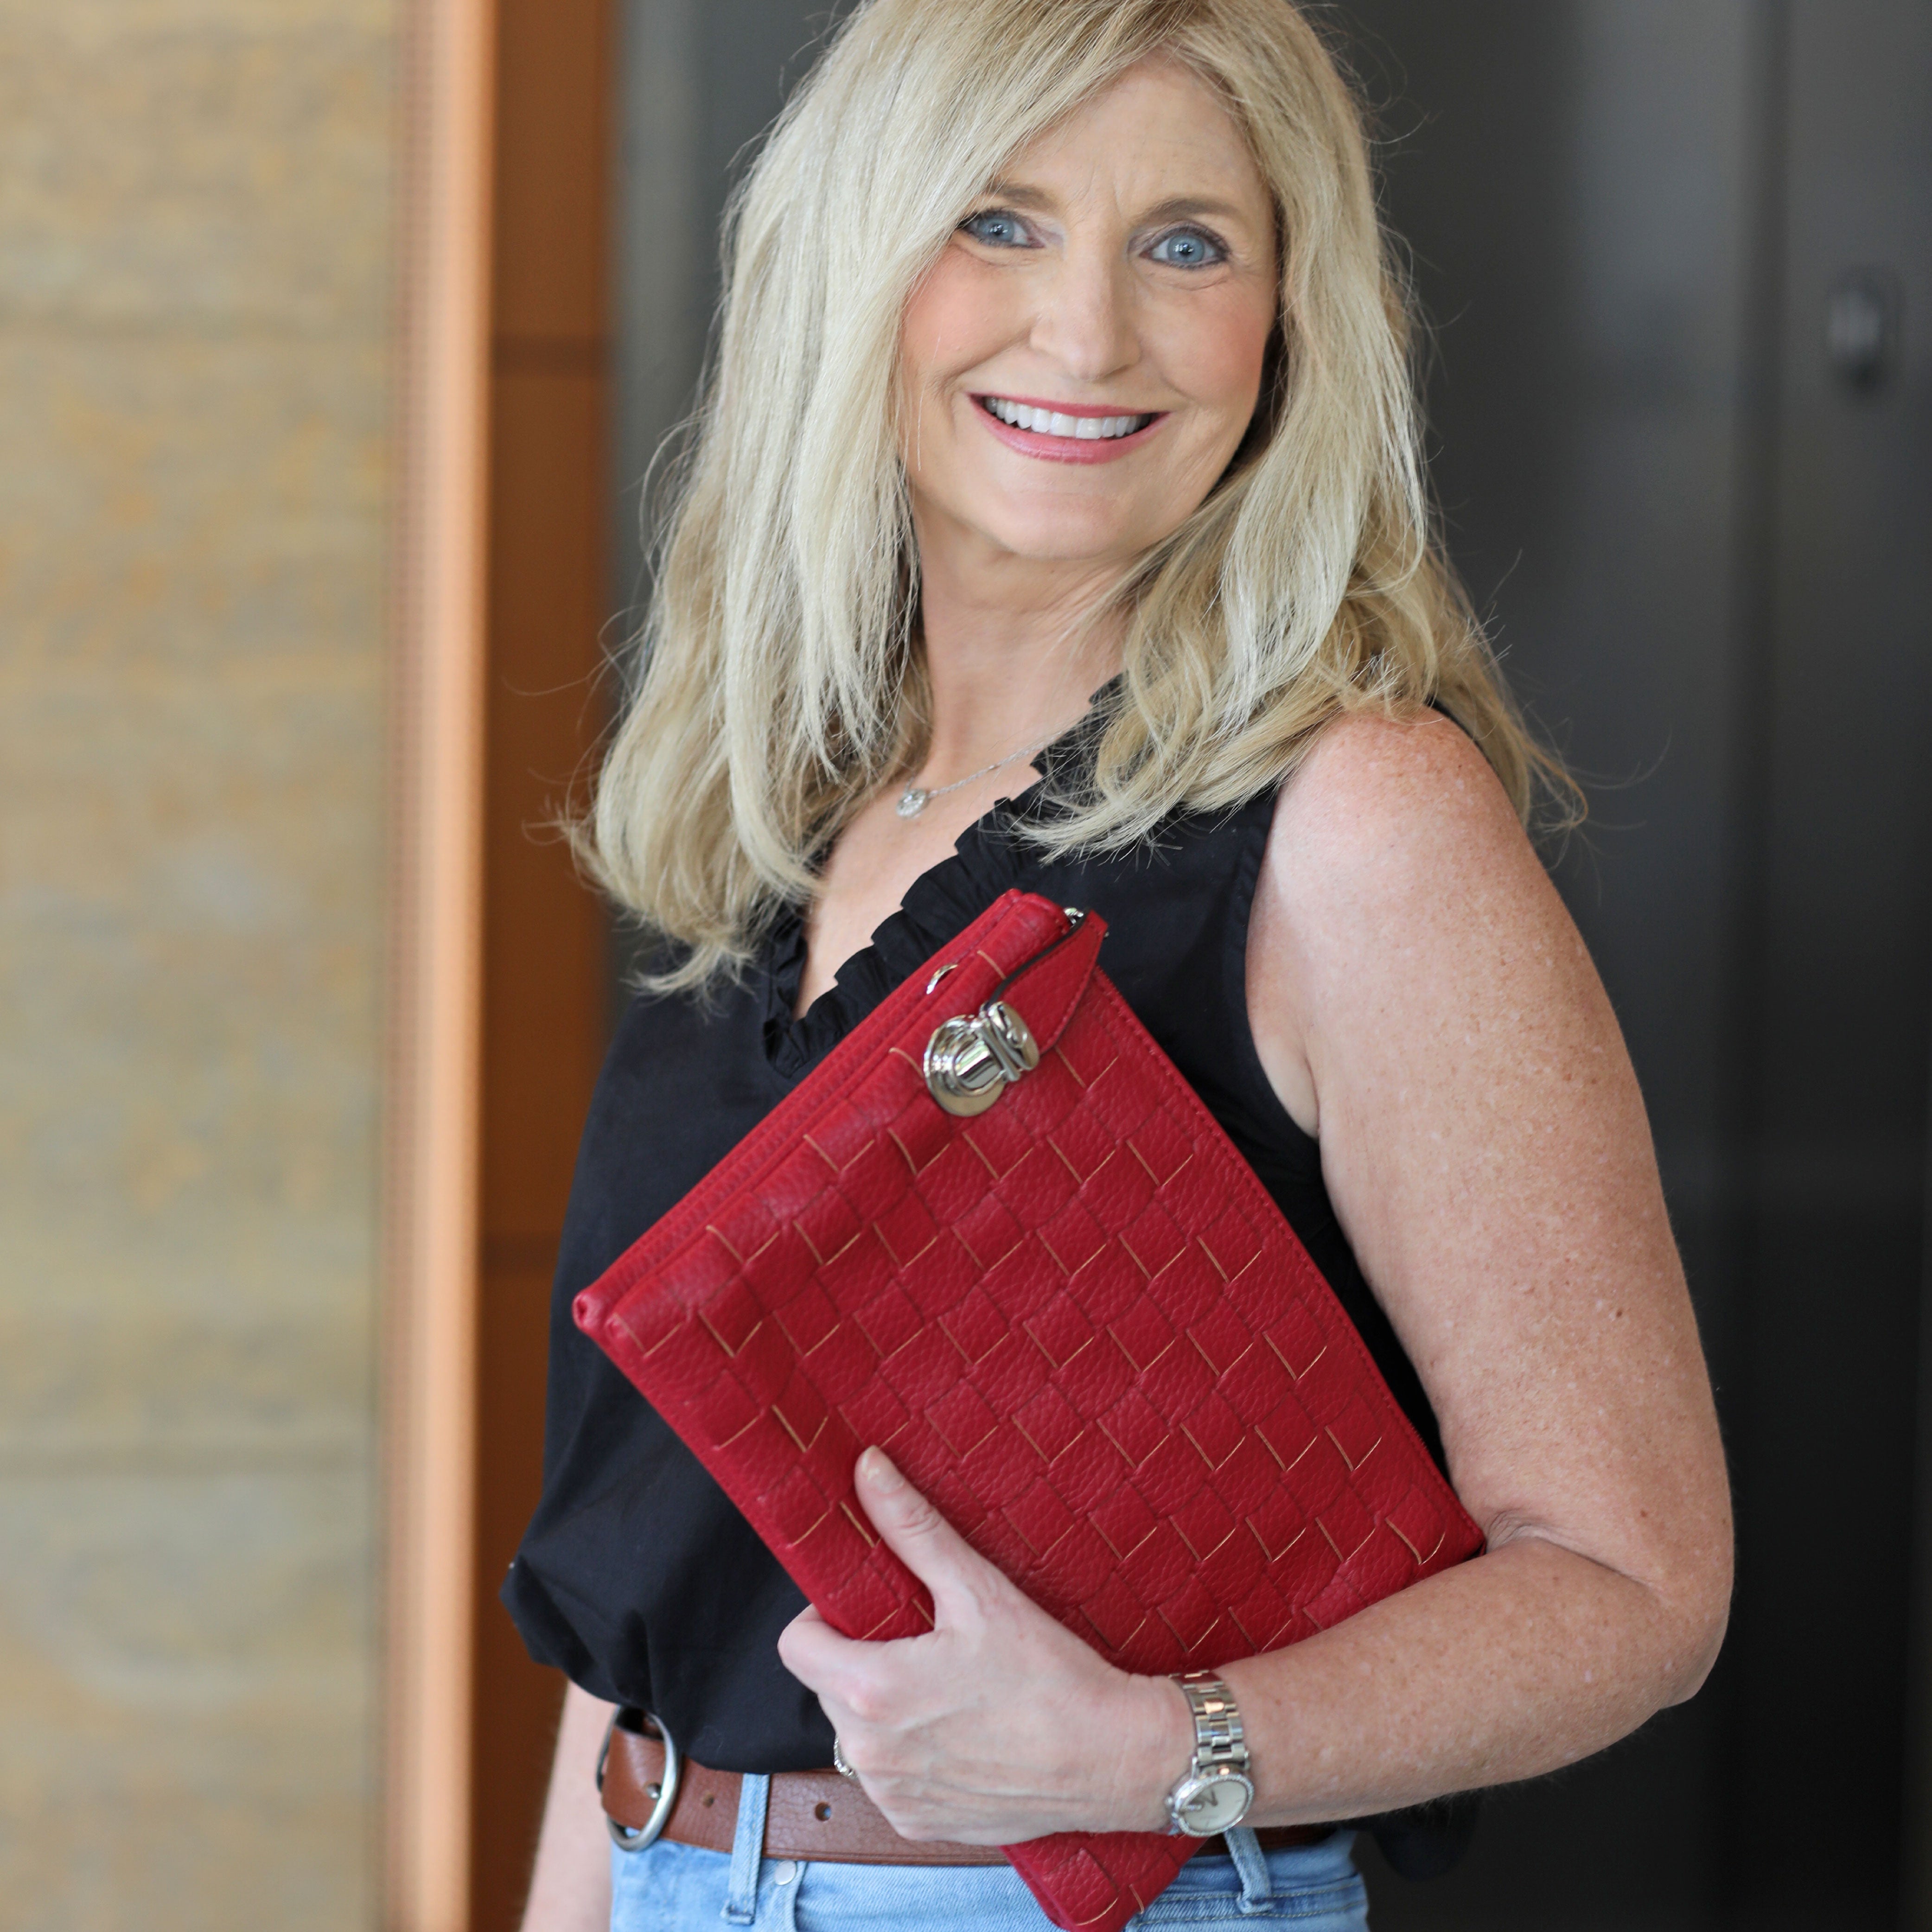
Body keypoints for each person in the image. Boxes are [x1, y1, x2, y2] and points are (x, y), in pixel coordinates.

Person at [508, 3, 1733, 1927]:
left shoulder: (1355, 822)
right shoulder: (783, 818)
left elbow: (1632, 1583)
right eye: (998, 222)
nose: (1087, 334)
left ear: (1288, 322)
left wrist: (1153, 1752)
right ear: (854, 265)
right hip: (671, 1863)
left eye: (1186, 243)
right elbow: (658, 1568)